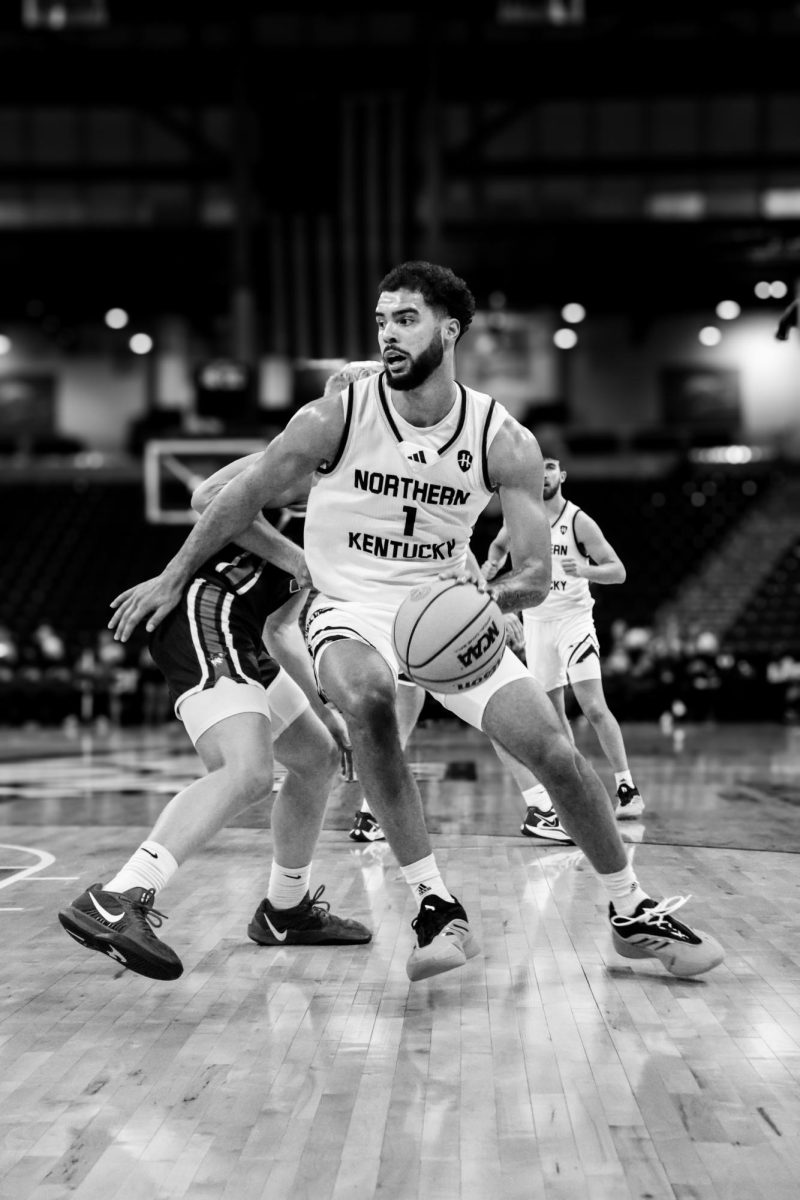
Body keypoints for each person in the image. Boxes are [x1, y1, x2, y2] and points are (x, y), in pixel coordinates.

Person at [106, 260, 724, 983]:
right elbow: (234, 495)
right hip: (349, 608)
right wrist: (173, 574)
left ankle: (630, 910)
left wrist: (488, 601)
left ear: (450, 329)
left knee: (554, 749)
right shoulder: (336, 415)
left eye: (406, 319)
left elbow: (534, 572)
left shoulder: (504, 439)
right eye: (381, 321)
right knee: (368, 704)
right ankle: (434, 903)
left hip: (444, 609)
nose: (389, 333)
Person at [58, 465, 372, 980]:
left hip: (247, 634)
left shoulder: (354, 511)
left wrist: (324, 707)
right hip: (208, 612)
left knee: (315, 760)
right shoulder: (308, 458)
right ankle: (118, 896)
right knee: (245, 772)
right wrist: (293, 556)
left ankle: (285, 912)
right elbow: (208, 496)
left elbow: (282, 629)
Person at [482, 455, 646, 843]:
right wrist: (488, 573)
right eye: (540, 469)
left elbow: (618, 571)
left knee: (593, 707)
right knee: (552, 719)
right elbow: (497, 547)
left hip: (574, 621)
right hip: (536, 622)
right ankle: (575, 790)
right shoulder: (523, 518)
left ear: (563, 476)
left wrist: (585, 571)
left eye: (552, 468)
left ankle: (626, 788)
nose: (545, 475)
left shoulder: (578, 521)